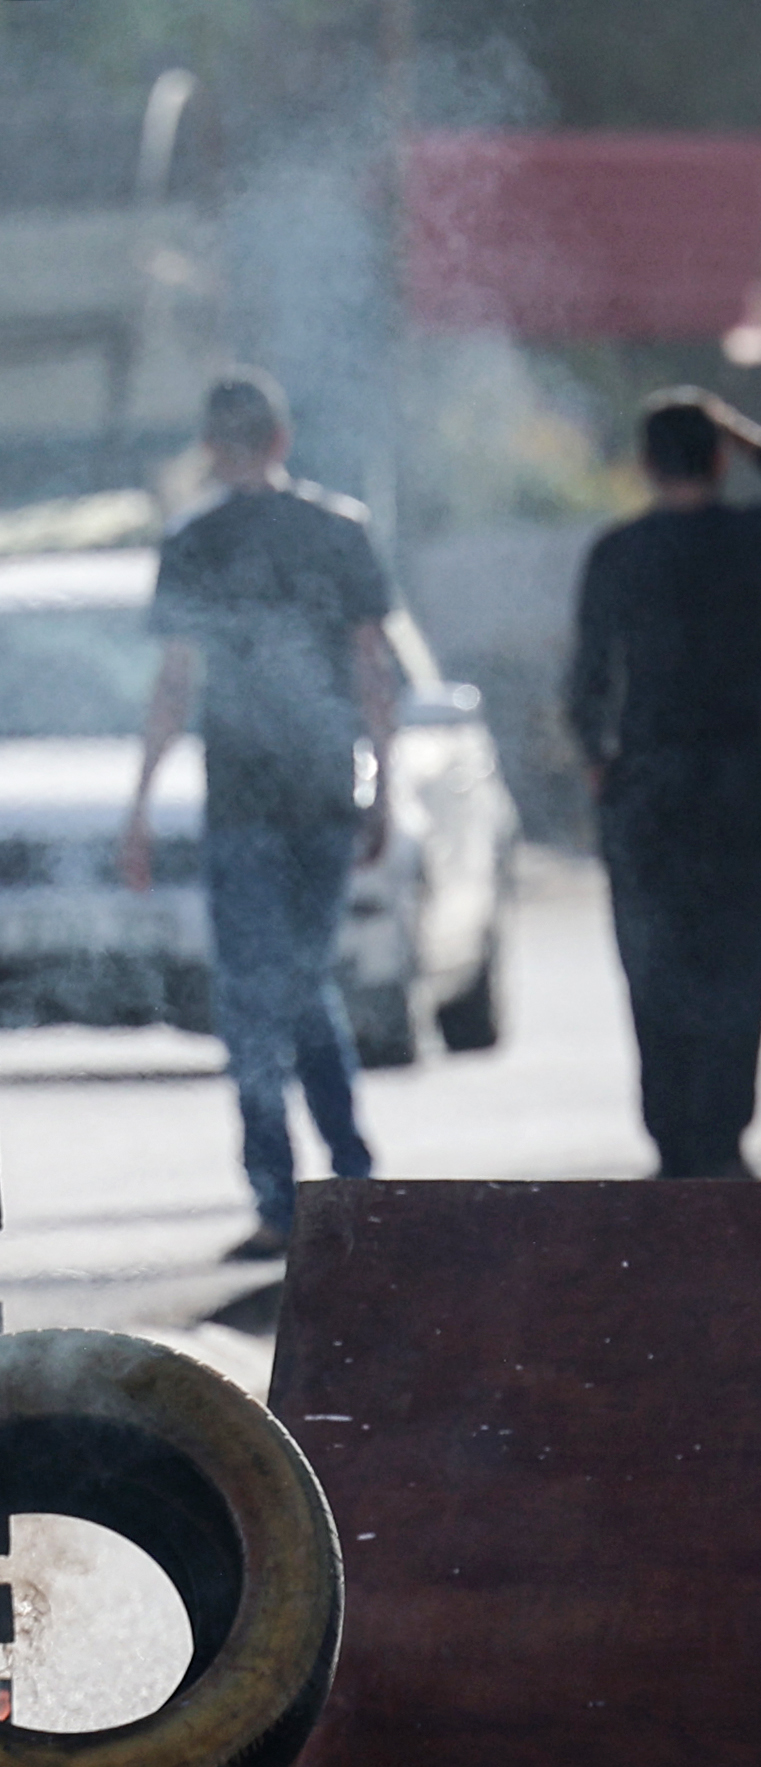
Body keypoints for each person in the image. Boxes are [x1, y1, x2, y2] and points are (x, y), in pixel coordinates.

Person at [118, 368, 393, 1261]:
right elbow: (371, 670)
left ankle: (289, 1198)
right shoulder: (337, 528)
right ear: (280, 440)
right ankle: (344, 1184)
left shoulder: (194, 540)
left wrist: (141, 803)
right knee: (300, 982)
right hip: (319, 795)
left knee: (258, 995)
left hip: (244, 801)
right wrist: (380, 782)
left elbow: (173, 684)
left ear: (210, 446)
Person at [564, 391, 761, 1179]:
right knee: (736, 962)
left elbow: (587, 677)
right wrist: (753, 438)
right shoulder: (751, 541)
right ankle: (721, 1137)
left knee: (654, 963)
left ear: (646, 466)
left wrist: (597, 756)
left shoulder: (618, 553)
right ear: (719, 460)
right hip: (734, 780)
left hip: (647, 782)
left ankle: (672, 1135)